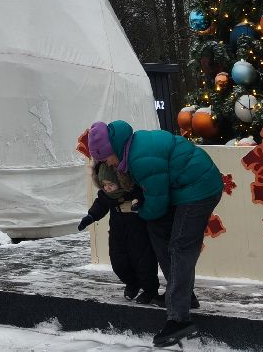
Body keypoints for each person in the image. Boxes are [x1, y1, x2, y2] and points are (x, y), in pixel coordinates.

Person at [86, 119, 223, 348]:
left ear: (113, 149)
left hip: (200, 189)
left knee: (180, 246)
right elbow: (155, 198)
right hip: (183, 189)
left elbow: (157, 203)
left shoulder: (139, 159)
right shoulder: (131, 148)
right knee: (157, 229)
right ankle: (184, 296)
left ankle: (178, 320)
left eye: (106, 157)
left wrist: (140, 211)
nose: (107, 163)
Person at [77, 155, 160, 303]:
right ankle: (132, 282)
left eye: (111, 184)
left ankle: (150, 290)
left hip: (138, 232)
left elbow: (144, 198)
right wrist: (90, 217)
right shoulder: (106, 195)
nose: (107, 188)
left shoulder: (133, 190)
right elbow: (100, 205)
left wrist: (138, 204)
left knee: (144, 262)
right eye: (104, 184)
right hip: (118, 232)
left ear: (121, 181)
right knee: (118, 262)